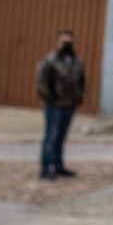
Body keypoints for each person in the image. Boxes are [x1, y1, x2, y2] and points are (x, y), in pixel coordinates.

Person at [35, 29, 86, 180]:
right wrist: (49, 99)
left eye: (70, 42)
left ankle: (58, 166)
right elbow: (41, 82)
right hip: (54, 105)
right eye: (64, 42)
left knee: (61, 138)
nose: (67, 45)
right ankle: (46, 168)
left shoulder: (76, 61)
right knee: (51, 137)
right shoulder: (50, 61)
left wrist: (78, 98)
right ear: (57, 43)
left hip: (69, 105)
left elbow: (81, 81)